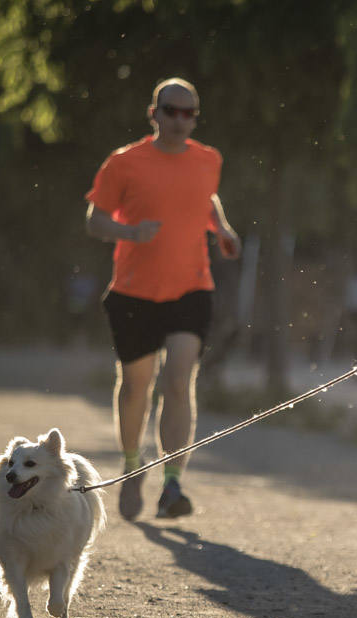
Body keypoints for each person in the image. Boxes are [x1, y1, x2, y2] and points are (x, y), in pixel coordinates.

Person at [85, 77, 241, 520]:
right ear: (153, 114)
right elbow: (95, 220)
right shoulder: (124, 163)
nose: (179, 120)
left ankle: (172, 485)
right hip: (134, 292)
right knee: (137, 386)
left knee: (178, 381)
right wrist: (130, 232)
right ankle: (133, 464)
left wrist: (221, 228)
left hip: (191, 287)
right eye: (171, 111)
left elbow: (205, 197)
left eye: (188, 113)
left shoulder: (208, 159)